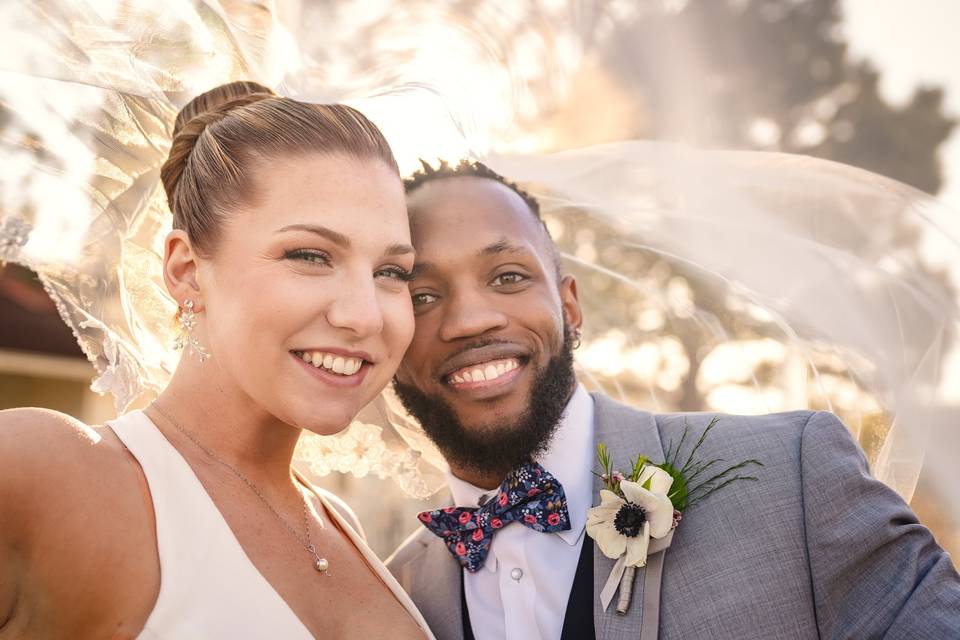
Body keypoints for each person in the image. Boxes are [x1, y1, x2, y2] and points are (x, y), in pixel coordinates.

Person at [386, 159, 960, 640]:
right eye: (423, 296)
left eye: (508, 277)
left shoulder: (793, 475)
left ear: (570, 306)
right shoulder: (391, 594)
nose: (470, 320)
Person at [0, 81, 433, 639]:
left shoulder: (346, 531)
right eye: (310, 255)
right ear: (186, 271)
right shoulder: (41, 472)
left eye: (391, 272)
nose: (366, 317)